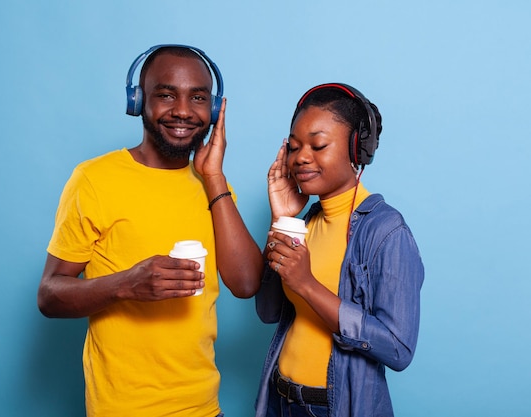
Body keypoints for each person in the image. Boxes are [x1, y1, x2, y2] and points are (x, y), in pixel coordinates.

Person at [37, 44, 263, 417]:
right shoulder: (94, 180)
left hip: (205, 409)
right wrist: (125, 284)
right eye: (165, 95)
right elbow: (49, 295)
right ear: (138, 100)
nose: (183, 111)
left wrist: (214, 176)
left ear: (216, 109)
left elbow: (245, 283)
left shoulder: (212, 186)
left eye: (198, 98)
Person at [254, 83, 424, 417]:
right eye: (294, 146)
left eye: (318, 145)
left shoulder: (386, 231)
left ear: (356, 150)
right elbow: (267, 312)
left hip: (332, 408)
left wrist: (306, 284)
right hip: (280, 401)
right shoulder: (305, 223)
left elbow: (398, 348)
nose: (301, 157)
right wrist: (281, 220)